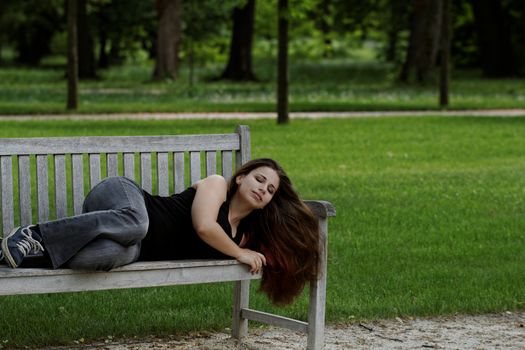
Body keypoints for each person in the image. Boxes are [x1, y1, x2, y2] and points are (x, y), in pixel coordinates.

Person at [0, 158, 320, 305]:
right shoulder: (217, 185)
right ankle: (36, 234)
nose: (264, 189)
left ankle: (15, 255)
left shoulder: (244, 235)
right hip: (126, 200)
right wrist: (239, 253)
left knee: (107, 255)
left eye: (271, 190)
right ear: (242, 178)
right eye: (259, 179)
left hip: (135, 248)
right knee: (137, 223)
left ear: (269, 203)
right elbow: (205, 227)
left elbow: (270, 252)